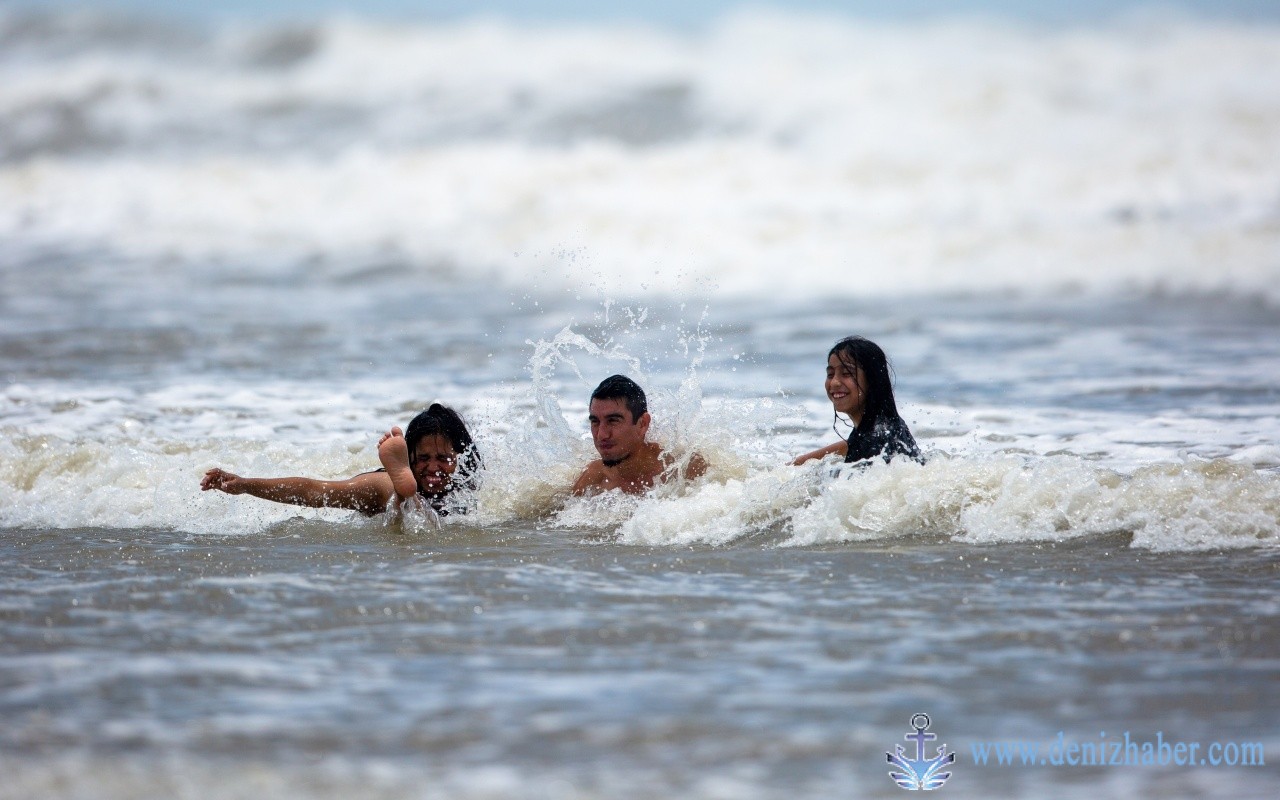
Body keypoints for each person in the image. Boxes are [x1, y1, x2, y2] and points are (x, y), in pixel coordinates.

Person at [201, 403, 481, 515]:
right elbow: (314, 491)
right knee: (403, 502)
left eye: (443, 458)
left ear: (461, 456)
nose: (433, 467)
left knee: (425, 517)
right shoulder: (379, 485)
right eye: (423, 459)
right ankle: (405, 492)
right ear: (408, 458)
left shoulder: (471, 485)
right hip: (388, 491)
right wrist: (246, 484)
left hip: (415, 499)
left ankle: (407, 495)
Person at [792, 336, 922, 466]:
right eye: (830, 374)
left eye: (846, 373)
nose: (835, 382)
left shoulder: (874, 441)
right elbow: (849, 445)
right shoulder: (884, 426)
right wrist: (801, 462)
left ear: (872, 380)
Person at [571, 374, 706, 496]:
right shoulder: (592, 480)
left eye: (613, 421)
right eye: (595, 422)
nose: (601, 435)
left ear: (642, 424)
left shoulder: (683, 469)